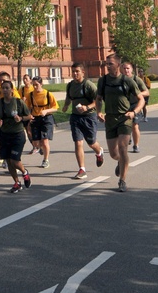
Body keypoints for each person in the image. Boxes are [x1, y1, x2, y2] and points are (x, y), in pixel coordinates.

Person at [95, 54, 144, 193]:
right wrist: (99, 112)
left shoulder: (127, 81)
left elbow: (141, 99)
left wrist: (134, 112)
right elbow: (98, 98)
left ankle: (122, 180)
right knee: (113, 153)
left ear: (118, 65)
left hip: (124, 118)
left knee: (123, 149)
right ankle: (119, 161)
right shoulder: (102, 81)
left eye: (110, 63)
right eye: (106, 64)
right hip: (110, 119)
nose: (107, 66)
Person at [61, 62, 105, 179]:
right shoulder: (70, 85)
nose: (75, 74)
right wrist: (65, 106)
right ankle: (82, 169)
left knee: (91, 143)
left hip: (89, 117)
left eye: (77, 71)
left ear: (83, 72)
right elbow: (69, 98)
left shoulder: (89, 85)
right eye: (73, 71)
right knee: (78, 142)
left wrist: (87, 107)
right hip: (75, 117)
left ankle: (99, 152)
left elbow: (98, 100)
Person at [0, 79, 31, 193]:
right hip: (4, 134)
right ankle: (16, 182)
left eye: (7, 88)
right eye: (3, 88)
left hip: (17, 135)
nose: (4, 90)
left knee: (14, 160)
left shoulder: (18, 103)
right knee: (8, 161)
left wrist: (21, 118)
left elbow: (29, 116)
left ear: (12, 90)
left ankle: (24, 172)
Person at [25, 76, 58, 167]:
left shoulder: (48, 94)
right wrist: (29, 116)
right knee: (35, 142)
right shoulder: (30, 95)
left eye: (37, 85)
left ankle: (45, 160)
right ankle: (41, 148)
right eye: (33, 85)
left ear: (41, 84)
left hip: (46, 119)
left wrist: (46, 111)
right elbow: (27, 108)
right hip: (35, 118)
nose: (35, 87)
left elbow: (55, 107)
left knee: (44, 141)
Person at [122, 62, 148, 153]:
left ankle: (136, 145)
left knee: (134, 125)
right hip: (123, 106)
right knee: (124, 126)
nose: (126, 70)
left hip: (135, 105)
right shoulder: (120, 80)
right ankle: (128, 137)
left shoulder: (136, 79)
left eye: (128, 68)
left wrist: (138, 94)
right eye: (124, 68)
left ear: (132, 69)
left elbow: (147, 92)